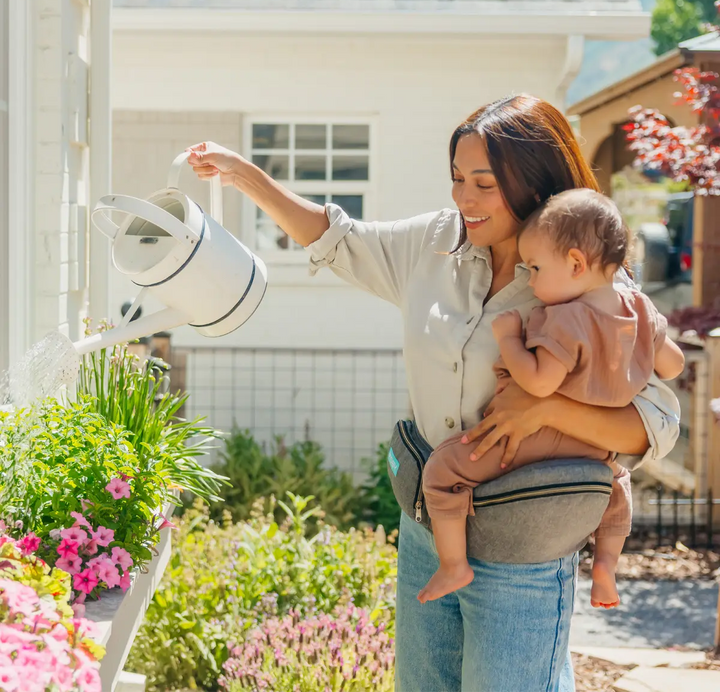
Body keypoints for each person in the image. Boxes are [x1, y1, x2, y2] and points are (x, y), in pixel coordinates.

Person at [186, 93, 679, 691]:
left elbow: (653, 420)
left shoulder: (585, 278)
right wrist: (245, 176)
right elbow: (337, 238)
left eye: (484, 183)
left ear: (536, 183)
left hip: (524, 539)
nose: (463, 199)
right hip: (430, 527)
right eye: (455, 179)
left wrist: (548, 408)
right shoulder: (434, 244)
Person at [418, 189, 685, 608]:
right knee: (615, 485)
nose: (531, 280)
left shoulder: (566, 318)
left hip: (540, 435)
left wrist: (509, 339)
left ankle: (454, 564)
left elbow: (540, 383)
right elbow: (672, 365)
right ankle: (604, 568)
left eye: (537, 268)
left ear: (576, 264)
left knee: (441, 469)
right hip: (596, 445)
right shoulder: (639, 307)